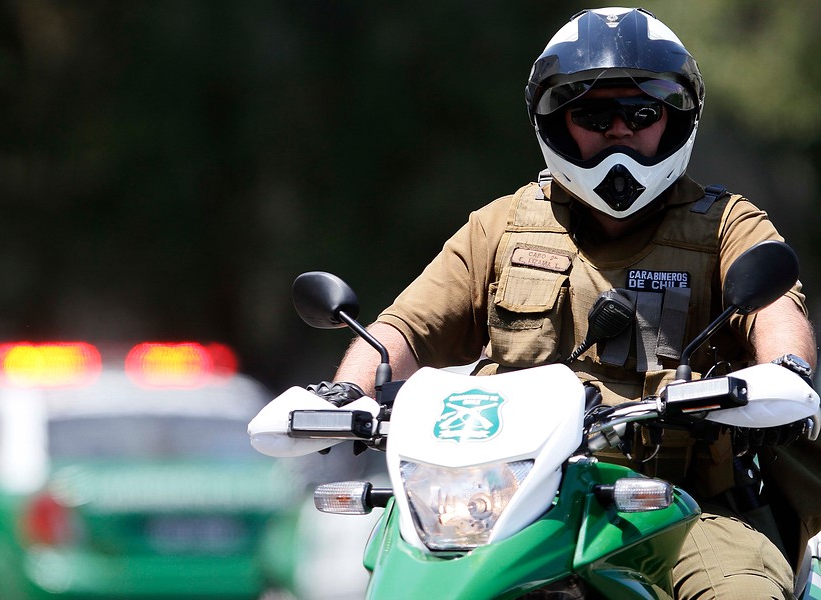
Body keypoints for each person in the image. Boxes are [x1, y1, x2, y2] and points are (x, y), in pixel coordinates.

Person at [310, 7, 818, 600]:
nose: (619, 130)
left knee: (740, 591)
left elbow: (777, 313)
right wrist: (345, 394)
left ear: (676, 119)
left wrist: (785, 372)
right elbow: (404, 329)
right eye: (594, 114)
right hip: (503, 508)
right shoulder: (501, 226)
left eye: (642, 112)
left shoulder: (726, 224)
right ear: (556, 123)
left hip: (672, 506)